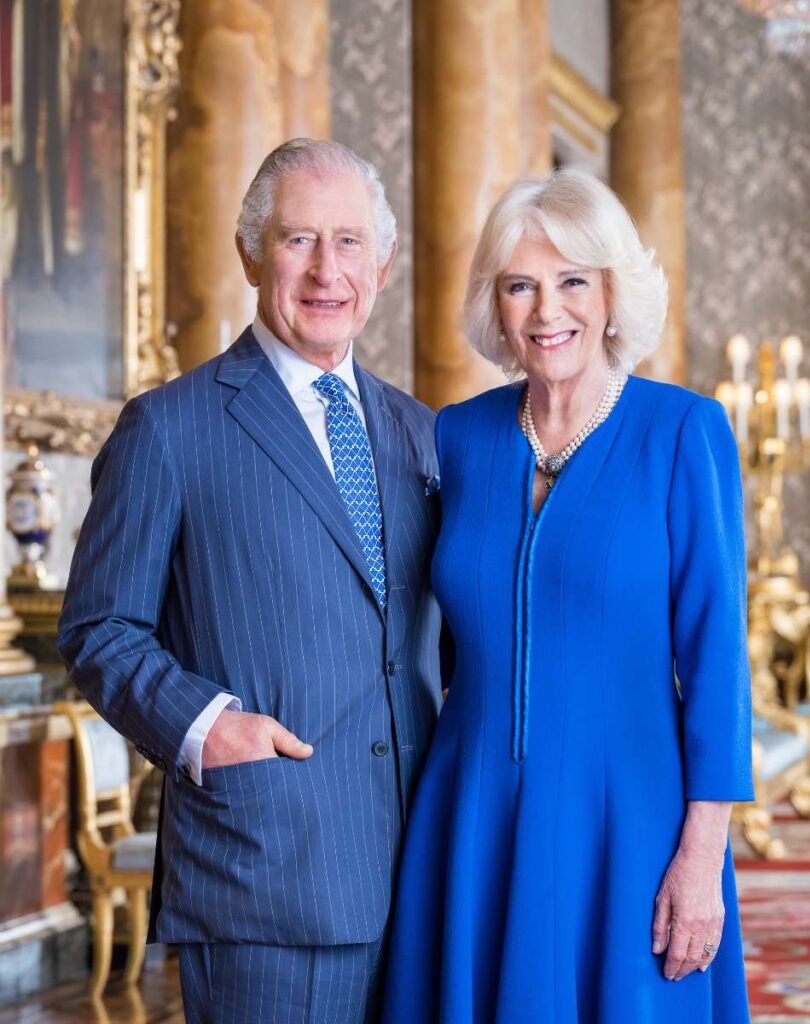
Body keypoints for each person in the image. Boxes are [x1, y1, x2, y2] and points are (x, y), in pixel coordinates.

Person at [58, 138, 443, 1024]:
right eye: (297, 239)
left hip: (427, 873)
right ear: (249, 254)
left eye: (348, 242)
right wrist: (208, 727)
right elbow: (98, 628)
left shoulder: (423, 434)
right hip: (265, 877)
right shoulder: (168, 429)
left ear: (382, 265)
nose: (326, 270)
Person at [381, 169, 754, 1023]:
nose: (547, 310)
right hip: (472, 811)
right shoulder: (458, 436)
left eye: (572, 281)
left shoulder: (681, 430)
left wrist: (702, 854)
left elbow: (716, 659)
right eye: (520, 285)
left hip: (631, 818)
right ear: (496, 304)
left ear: (611, 293)